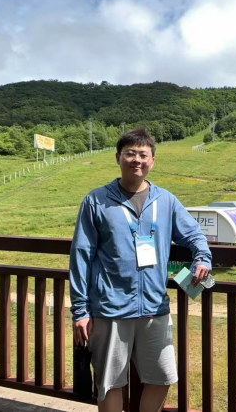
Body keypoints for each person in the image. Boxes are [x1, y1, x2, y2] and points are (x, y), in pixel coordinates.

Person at [69, 127, 212, 412]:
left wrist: (203, 258)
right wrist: (81, 311)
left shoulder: (165, 200)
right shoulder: (96, 201)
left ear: (152, 161)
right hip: (110, 309)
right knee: (110, 383)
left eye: (143, 155)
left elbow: (193, 234)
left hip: (154, 307)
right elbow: (81, 255)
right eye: (130, 153)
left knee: (163, 377)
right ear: (118, 158)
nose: (137, 160)